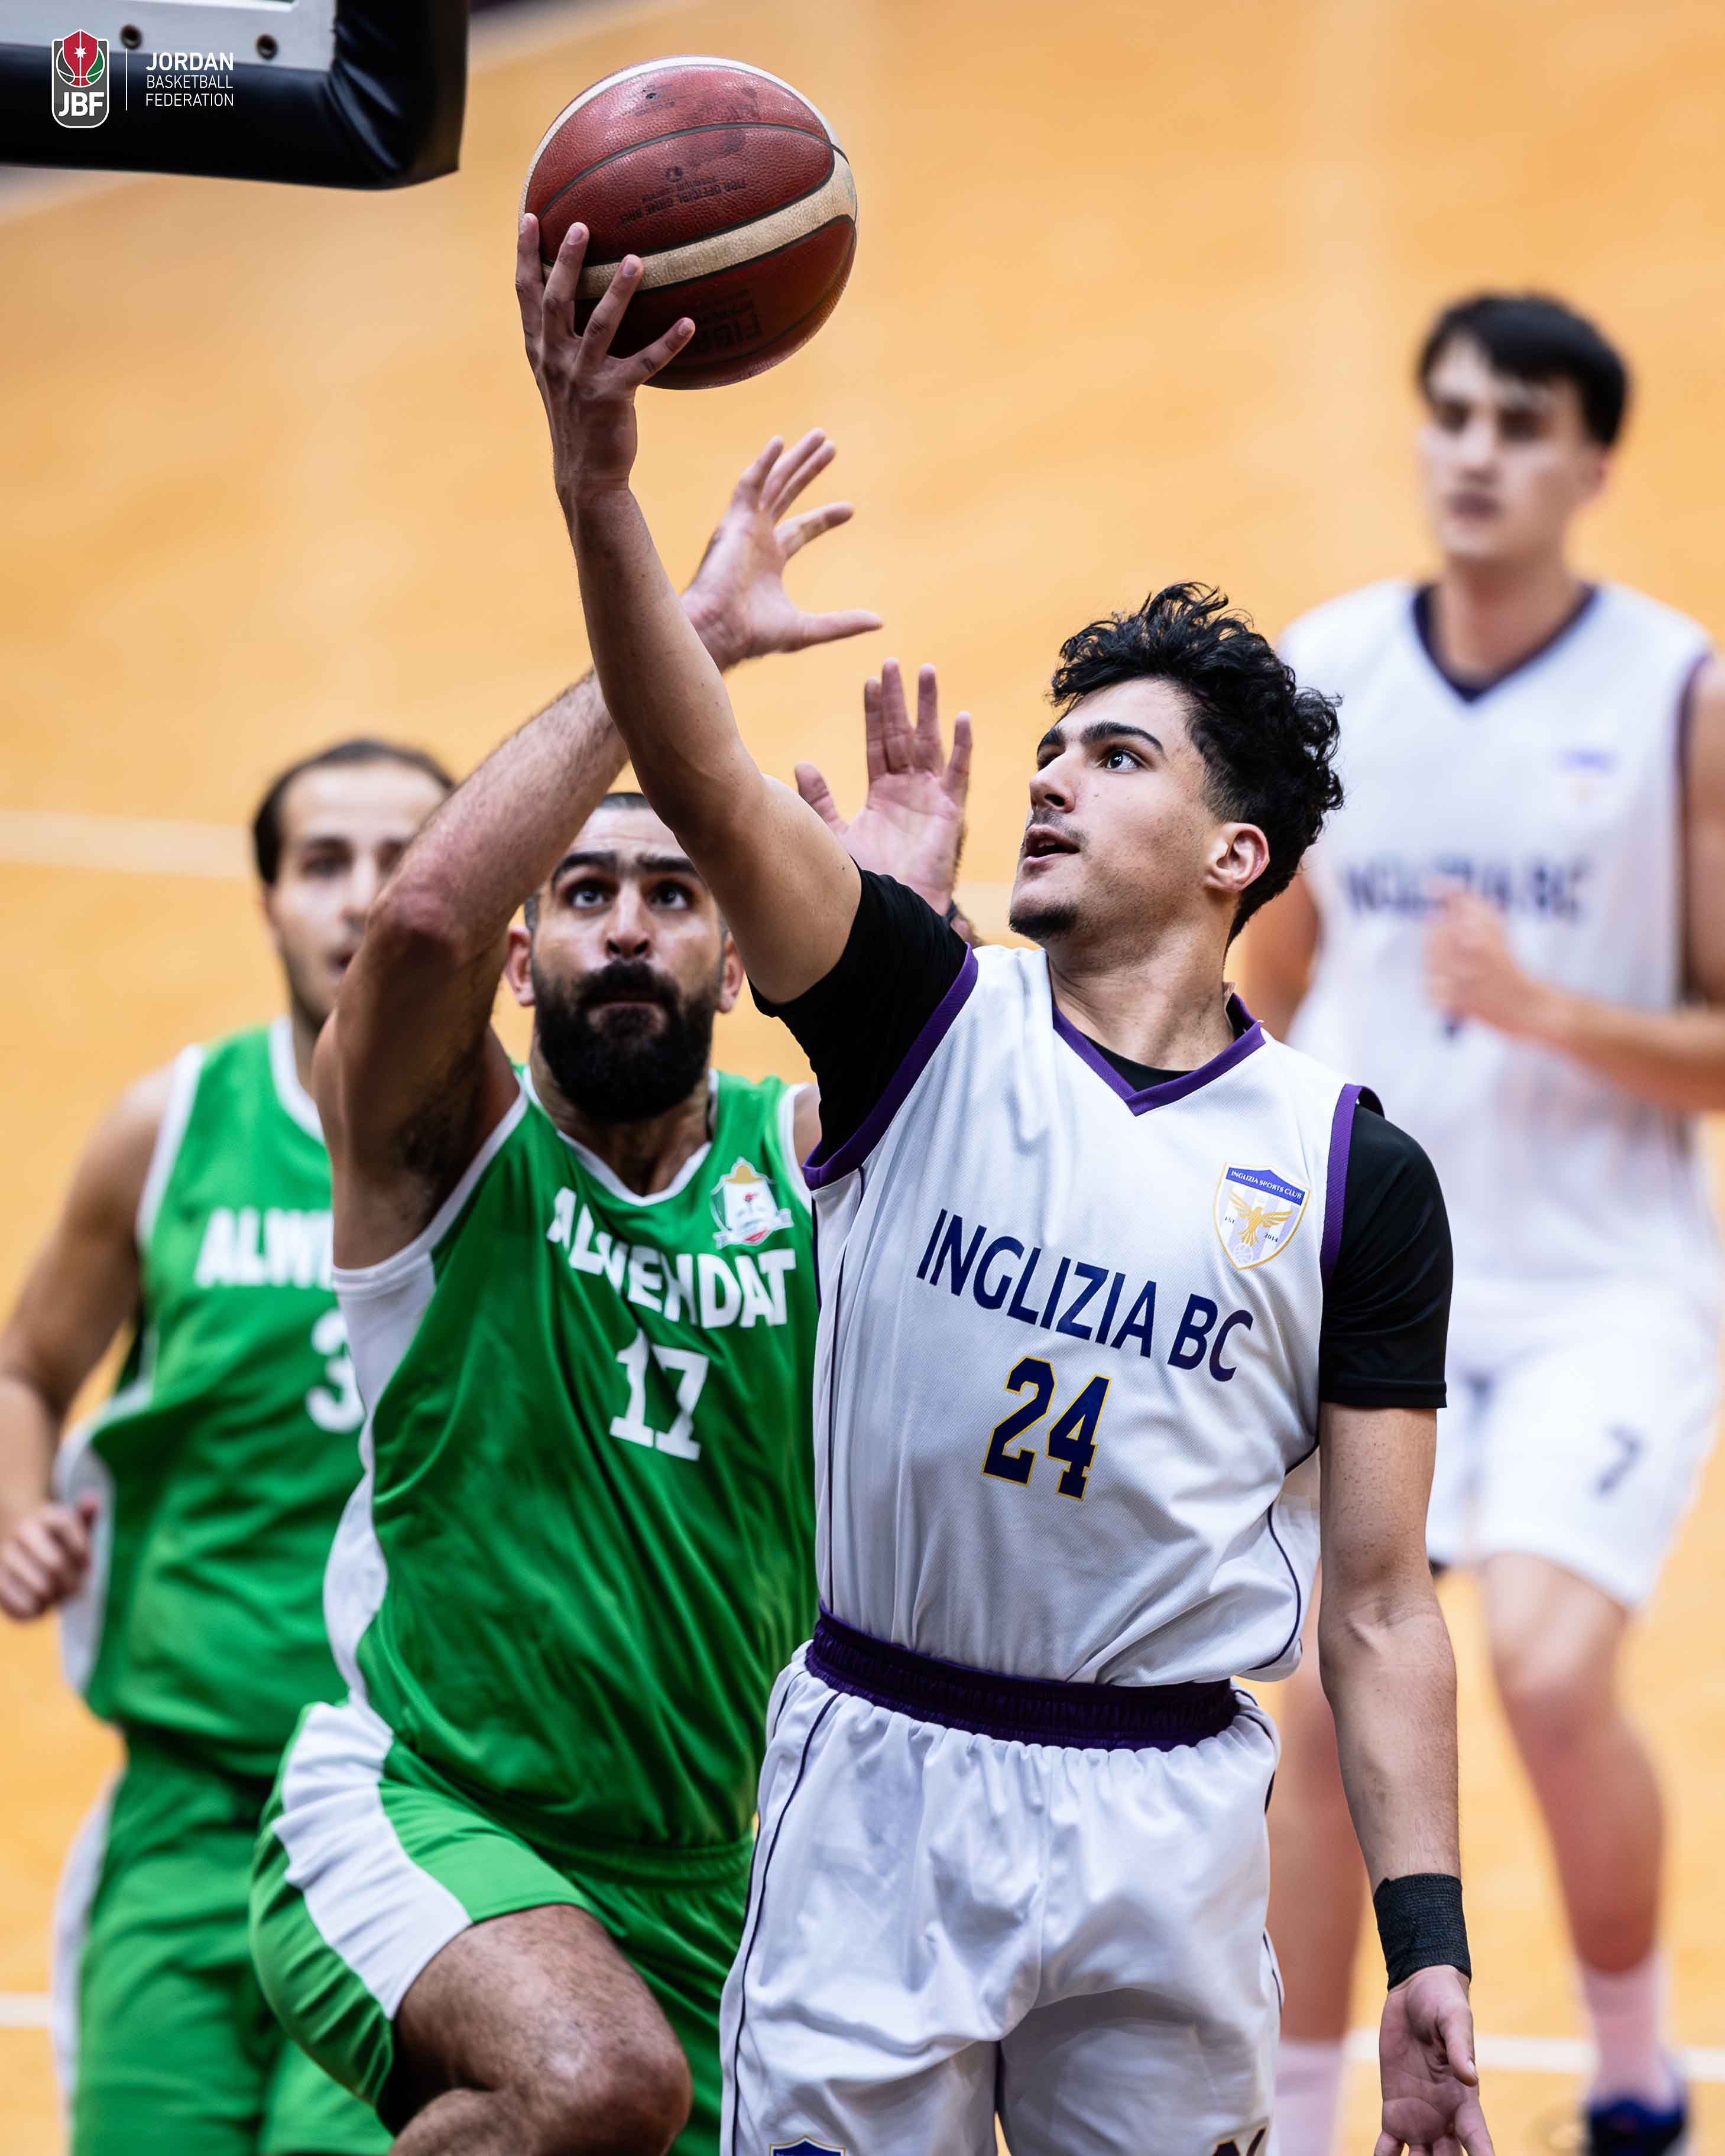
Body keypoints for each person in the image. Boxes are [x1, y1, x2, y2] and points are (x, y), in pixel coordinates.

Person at [523, 220, 1495, 2156]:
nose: (1046, 778)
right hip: (879, 1782)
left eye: (1112, 757)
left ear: (1231, 852)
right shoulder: (915, 1016)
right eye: (1047, 751)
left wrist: (1424, 1946)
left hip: (1164, 1815)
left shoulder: (1352, 1173)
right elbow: (703, 781)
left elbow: (1380, 1605)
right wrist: (598, 487)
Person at [249, 240, 973, 2156]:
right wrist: (658, 596)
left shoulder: (803, 1171)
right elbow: (417, 916)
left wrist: (896, 938)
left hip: (715, 1876)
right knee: (596, 2082)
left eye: (674, 892)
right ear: (525, 955)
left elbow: (985, 1170)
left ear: (735, 955)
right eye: (585, 894)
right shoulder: (443, 1155)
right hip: (421, 1805)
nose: (631, 926)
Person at [1248, 293, 1725, 2156]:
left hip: (1602, 1287)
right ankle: (1297, 2118)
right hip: (1377, 1284)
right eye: (1448, 413)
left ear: (1587, 464)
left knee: (1537, 1666)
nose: (1472, 451)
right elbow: (1262, 986)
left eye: (1517, 425)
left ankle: (1629, 2069)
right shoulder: (1329, 669)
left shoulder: (1675, 693)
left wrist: (1544, 1011)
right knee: (1307, 1719)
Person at [0, 735, 453, 2156]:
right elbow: (27, 1367)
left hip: (419, 1816)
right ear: (266, 900)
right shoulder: (173, 1127)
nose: (363, 897)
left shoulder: (521, 1153)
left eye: (403, 863)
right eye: (324, 863)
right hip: (187, 1805)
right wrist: (19, 1507)